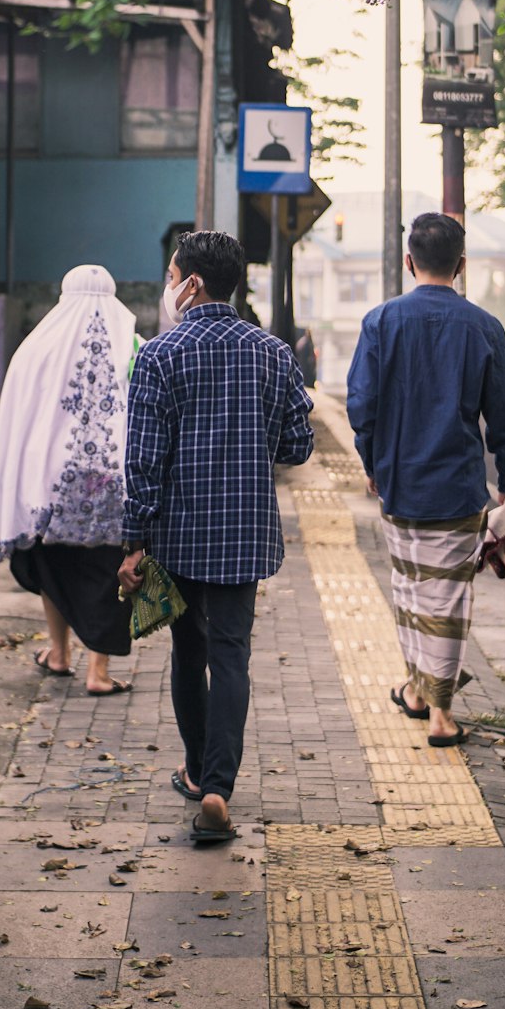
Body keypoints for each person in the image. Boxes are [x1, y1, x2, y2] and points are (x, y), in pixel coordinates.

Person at [117, 230, 313, 844]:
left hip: (178, 534)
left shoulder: (159, 355)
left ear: (191, 284)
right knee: (232, 655)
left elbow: (143, 461)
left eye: (173, 275)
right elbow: (298, 445)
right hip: (244, 532)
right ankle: (219, 791)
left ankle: (198, 772)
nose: (169, 286)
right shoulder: (275, 354)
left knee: (188, 650)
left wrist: (133, 542)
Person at [346, 213, 505, 749]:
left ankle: (422, 696)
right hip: (459, 487)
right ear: (461, 265)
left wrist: (373, 464)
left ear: (408, 261)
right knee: (445, 601)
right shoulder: (485, 326)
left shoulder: (380, 321)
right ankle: (438, 713)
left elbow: (362, 406)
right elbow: (504, 418)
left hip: (400, 484)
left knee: (409, 591)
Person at [0, 264, 136, 695]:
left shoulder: (37, 348)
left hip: (50, 485)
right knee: (109, 572)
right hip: (113, 484)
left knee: (53, 566)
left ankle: (59, 652)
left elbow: (18, 417)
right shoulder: (132, 345)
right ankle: (98, 672)